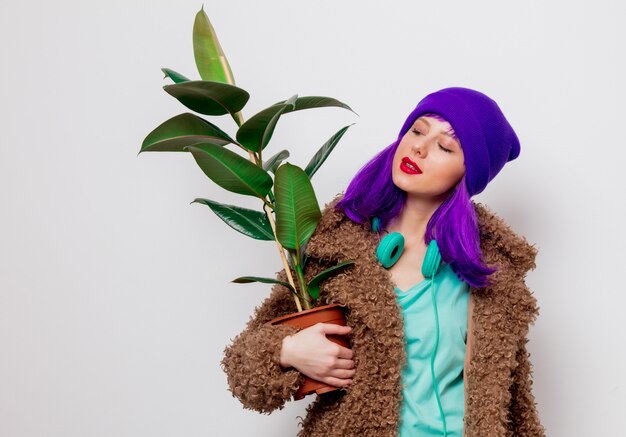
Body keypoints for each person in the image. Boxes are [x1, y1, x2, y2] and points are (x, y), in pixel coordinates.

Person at [220, 87, 546, 437]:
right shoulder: (337, 245)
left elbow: (512, 403)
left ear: (468, 175)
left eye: (445, 146)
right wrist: (288, 350)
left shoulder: (491, 270)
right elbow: (244, 369)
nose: (419, 147)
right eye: (417, 131)